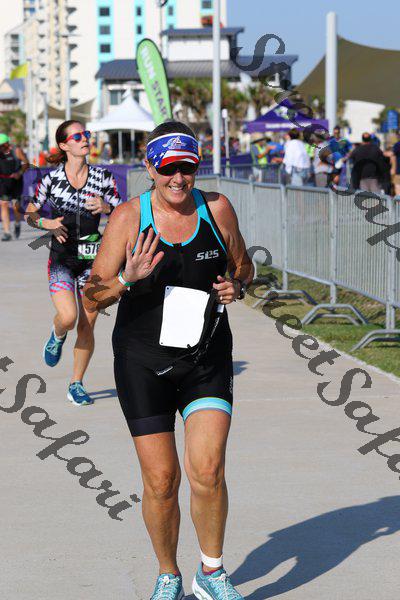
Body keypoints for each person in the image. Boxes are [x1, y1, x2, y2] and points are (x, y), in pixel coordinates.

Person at [82, 120, 254, 600]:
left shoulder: (217, 208)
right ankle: (168, 573)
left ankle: (212, 572)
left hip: (206, 358)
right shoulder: (127, 218)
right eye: (168, 168)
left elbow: (244, 265)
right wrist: (128, 278)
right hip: (142, 362)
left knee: (209, 470)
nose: (178, 178)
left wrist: (237, 285)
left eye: (187, 168)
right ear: (150, 168)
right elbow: (92, 295)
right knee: (161, 481)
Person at [25, 120, 122, 405]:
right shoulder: (51, 180)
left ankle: (76, 383)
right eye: (78, 136)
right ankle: (57, 335)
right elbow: (29, 213)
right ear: (64, 145)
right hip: (62, 260)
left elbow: (124, 210)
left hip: (94, 262)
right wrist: (47, 223)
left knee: (87, 324)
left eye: (86, 134)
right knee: (68, 318)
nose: (85, 139)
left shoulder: (103, 177)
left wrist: (106, 207)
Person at [0, 133, 29, 241]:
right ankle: (7, 232)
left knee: (15, 205)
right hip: (3, 182)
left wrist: (19, 173)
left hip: (16, 181)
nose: (1, 148)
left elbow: (26, 163)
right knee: (3, 204)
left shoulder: (16, 151)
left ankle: (17, 223)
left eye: (2, 145)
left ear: (7, 143)